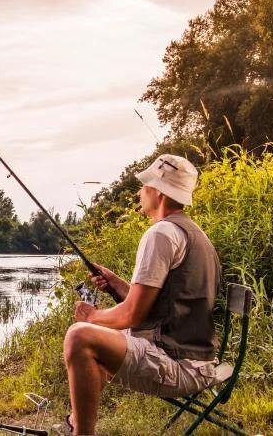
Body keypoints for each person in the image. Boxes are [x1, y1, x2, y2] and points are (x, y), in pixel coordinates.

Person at [55, 154, 223, 435]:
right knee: (91, 343)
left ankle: (80, 432)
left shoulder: (160, 234)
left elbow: (132, 314)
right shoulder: (194, 234)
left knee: (79, 335)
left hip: (178, 364)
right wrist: (117, 284)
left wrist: (92, 317)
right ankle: (77, 424)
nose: (139, 192)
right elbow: (162, 300)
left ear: (158, 192)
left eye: (144, 185)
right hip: (197, 359)